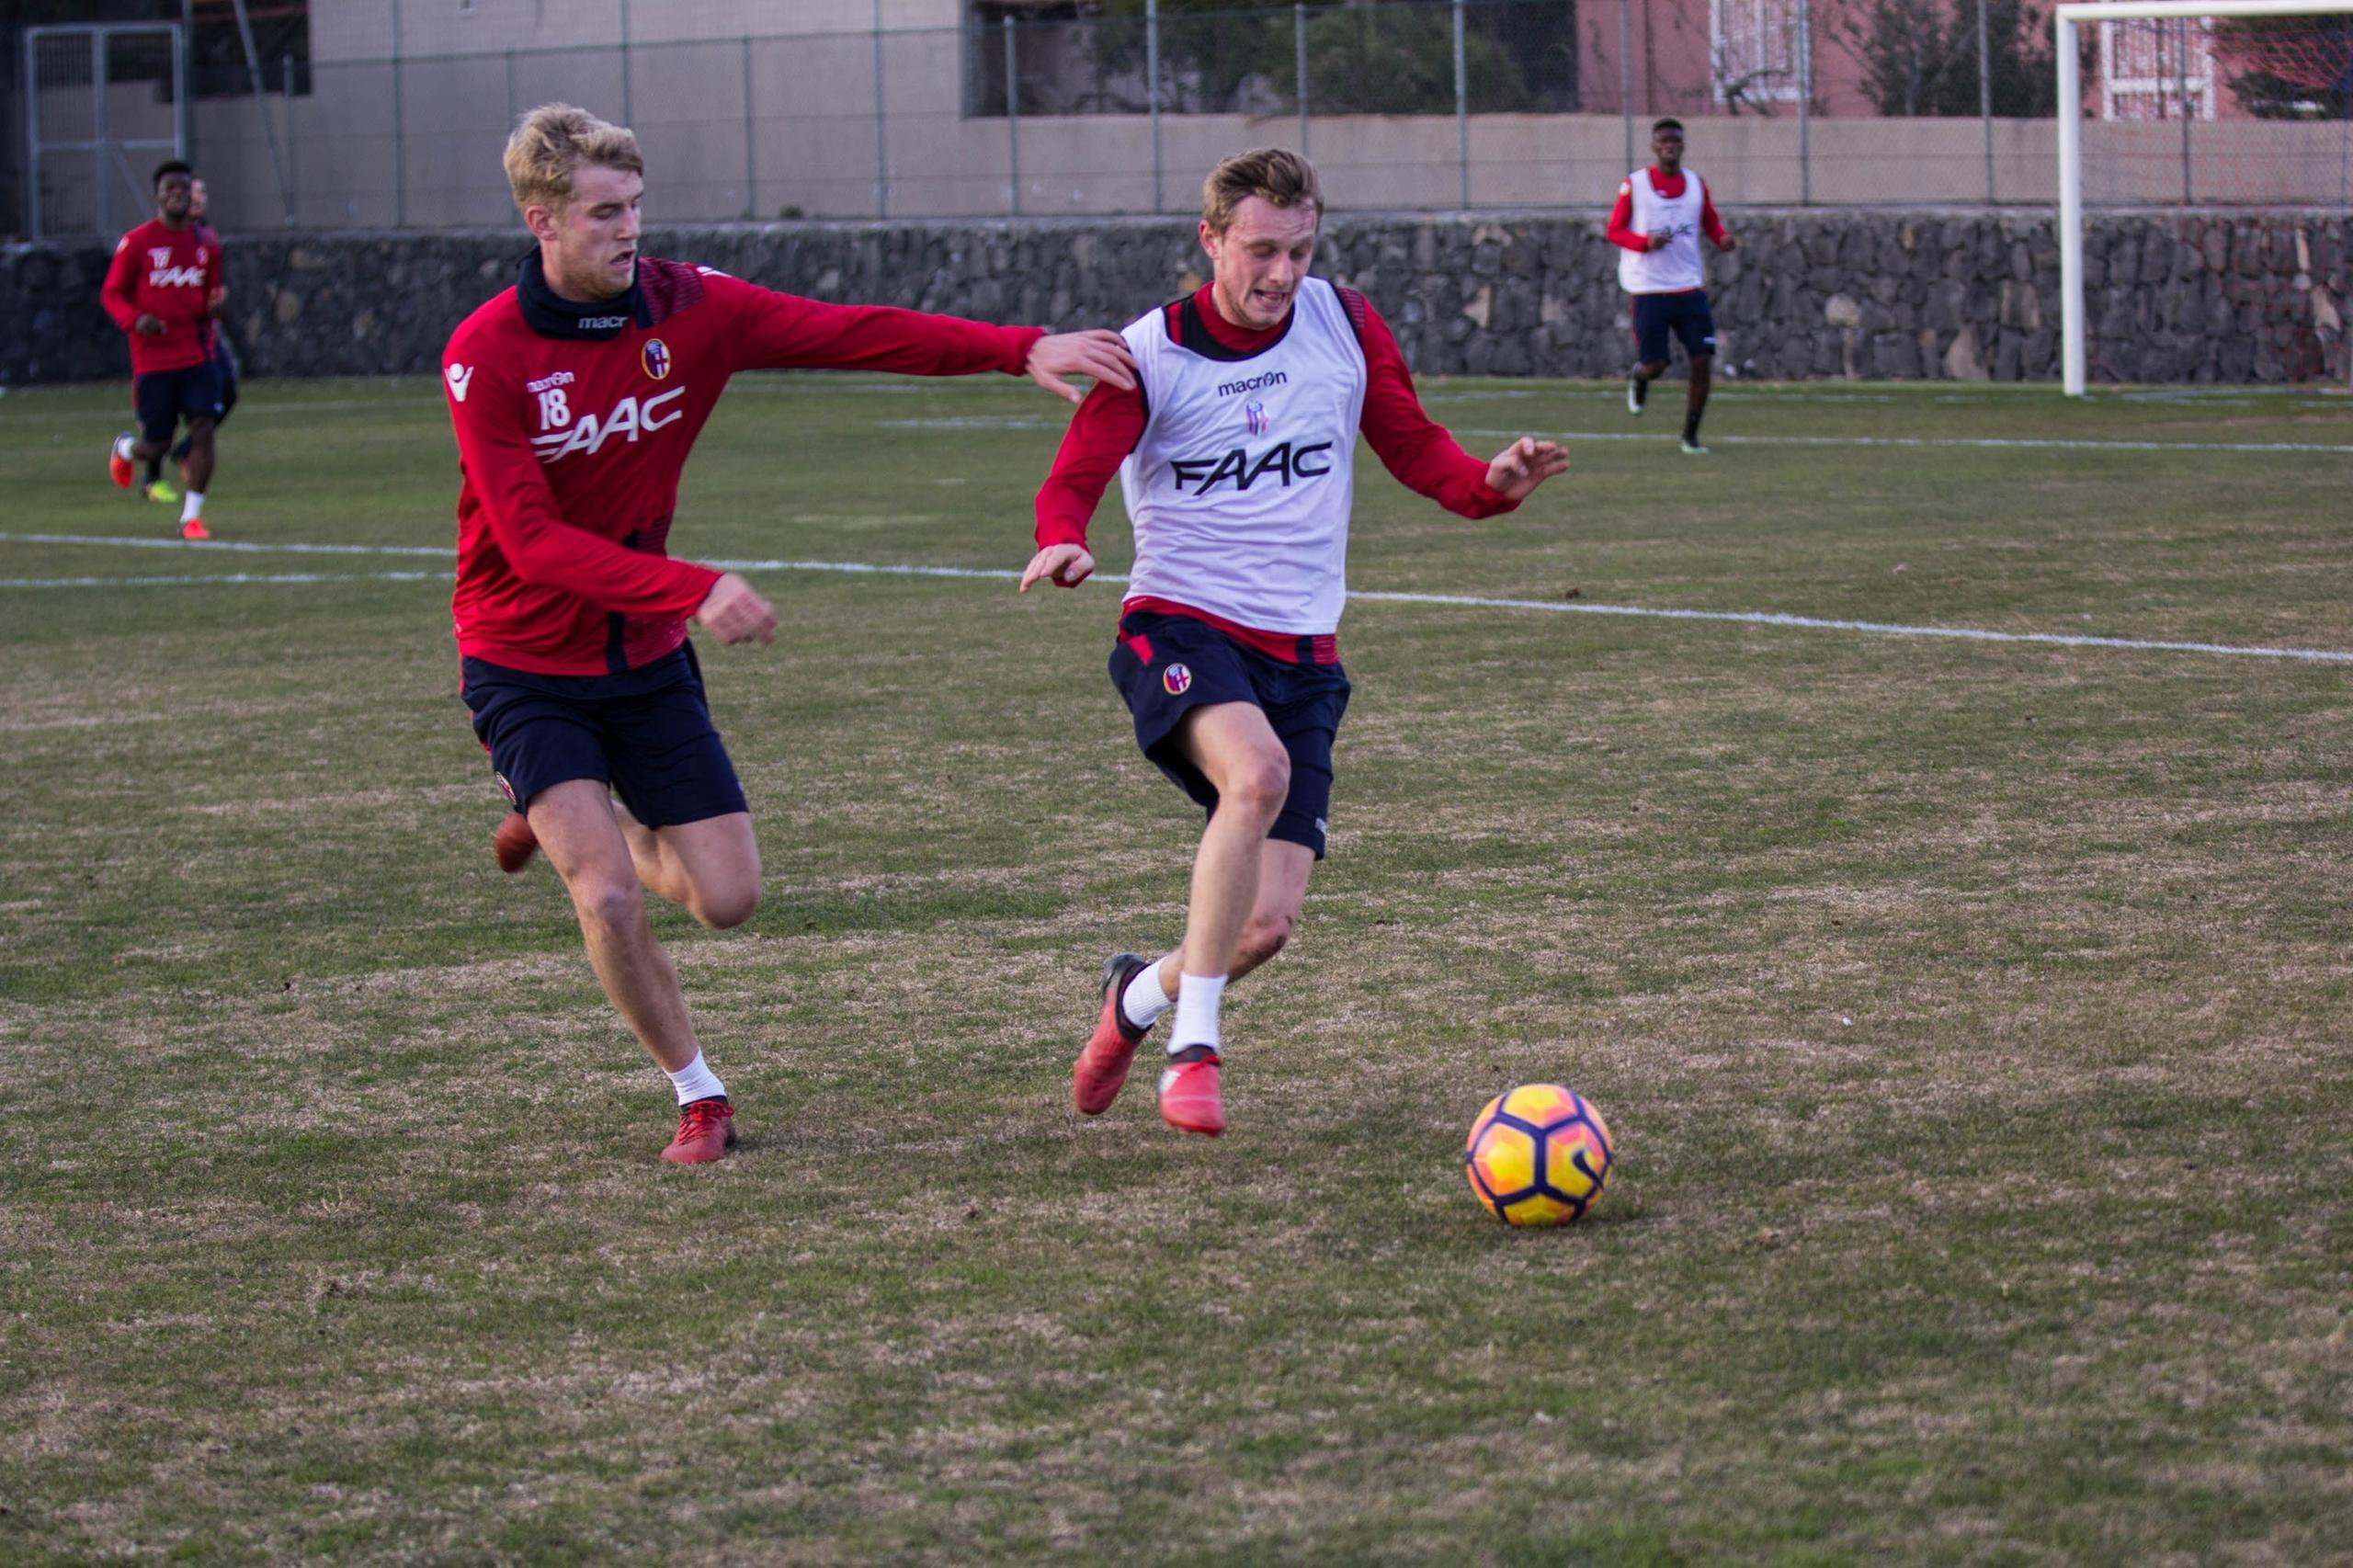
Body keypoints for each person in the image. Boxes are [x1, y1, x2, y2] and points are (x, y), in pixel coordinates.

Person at [444, 103, 1136, 1164]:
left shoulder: (692, 307)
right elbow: (531, 543)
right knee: (612, 895)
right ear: (540, 219)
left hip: (639, 653)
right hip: (522, 656)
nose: (628, 229)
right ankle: (698, 1093)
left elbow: (848, 330)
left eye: (635, 206)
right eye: (600, 213)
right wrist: (692, 584)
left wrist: (1015, 348)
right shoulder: (486, 353)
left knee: (727, 896)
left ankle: (562, 819)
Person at [1022, 147, 1568, 1138]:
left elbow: (1413, 446)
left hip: (1302, 652)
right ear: (1211, 240)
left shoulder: (1346, 321)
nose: (1281, 276)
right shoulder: (1149, 351)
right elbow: (1074, 477)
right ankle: (1195, 1045)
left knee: (1265, 924)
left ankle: (1134, 1001)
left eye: (1301, 251)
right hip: (1178, 624)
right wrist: (1061, 538)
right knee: (1257, 773)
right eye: (1261, 251)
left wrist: (1490, 484)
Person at [101, 159, 224, 539]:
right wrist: (136, 320)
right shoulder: (137, 242)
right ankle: (125, 450)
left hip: (197, 355)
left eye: (183, 189)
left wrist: (216, 303)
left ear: (191, 195)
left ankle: (191, 518)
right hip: (153, 360)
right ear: (157, 195)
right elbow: (111, 293)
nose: (177, 195)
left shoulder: (206, 244)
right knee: (157, 443)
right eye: (169, 189)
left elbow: (212, 292)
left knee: (203, 431)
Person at [1607, 118, 1738, 456]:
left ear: (1682, 145)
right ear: (1654, 146)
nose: (1670, 145)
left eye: (1676, 140)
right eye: (1664, 139)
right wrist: (1644, 243)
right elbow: (1615, 231)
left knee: (1701, 361)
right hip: (1649, 289)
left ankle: (1690, 436)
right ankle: (1640, 376)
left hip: (1689, 287)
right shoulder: (1635, 185)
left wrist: (1721, 238)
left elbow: (1708, 219)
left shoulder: (1695, 184)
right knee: (1658, 364)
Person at [152, 176, 241, 506]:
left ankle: (186, 451)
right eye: (194, 193)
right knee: (166, 409)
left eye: (202, 192)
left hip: (203, 336)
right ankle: (151, 476)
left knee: (227, 390)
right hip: (168, 340)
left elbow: (211, 285)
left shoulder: (206, 236)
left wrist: (217, 301)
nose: (199, 198)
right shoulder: (161, 238)